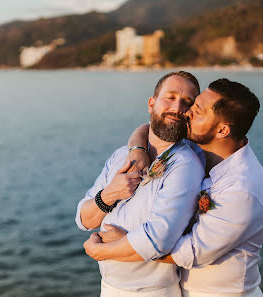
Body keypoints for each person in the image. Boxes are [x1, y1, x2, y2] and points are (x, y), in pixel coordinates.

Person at [84, 78, 263, 297]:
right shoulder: (201, 147)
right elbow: (151, 127)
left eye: (197, 110)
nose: (187, 113)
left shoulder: (242, 190)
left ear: (222, 131)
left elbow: (189, 252)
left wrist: (113, 246)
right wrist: (137, 148)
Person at [75, 71, 205, 297]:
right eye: (170, 97)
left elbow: (158, 240)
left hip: (152, 291)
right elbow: (83, 219)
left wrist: (102, 251)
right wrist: (109, 195)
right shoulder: (121, 156)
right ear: (151, 103)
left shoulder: (185, 164)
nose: (177, 107)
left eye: (187, 102)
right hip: (108, 288)